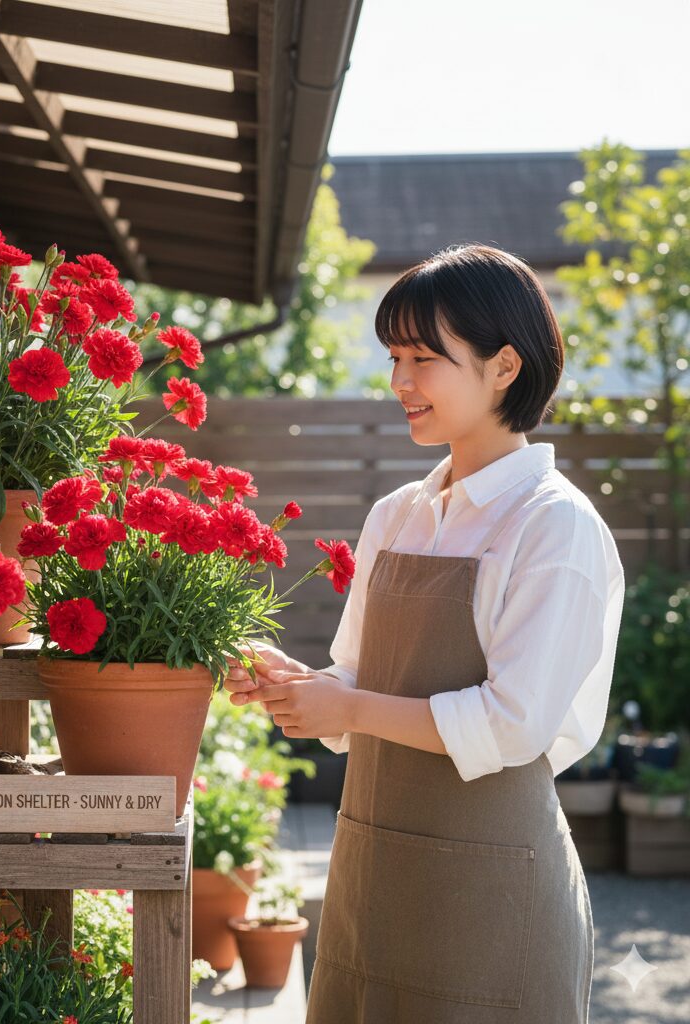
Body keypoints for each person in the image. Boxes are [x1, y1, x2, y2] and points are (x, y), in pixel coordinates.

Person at [225, 243, 625, 1022]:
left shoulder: (554, 527)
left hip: (493, 903)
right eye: (394, 358)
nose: (399, 381)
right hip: (370, 886)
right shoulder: (398, 514)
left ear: (504, 366)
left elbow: (513, 724)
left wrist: (347, 707)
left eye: (422, 358)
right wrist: (300, 687)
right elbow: (356, 678)